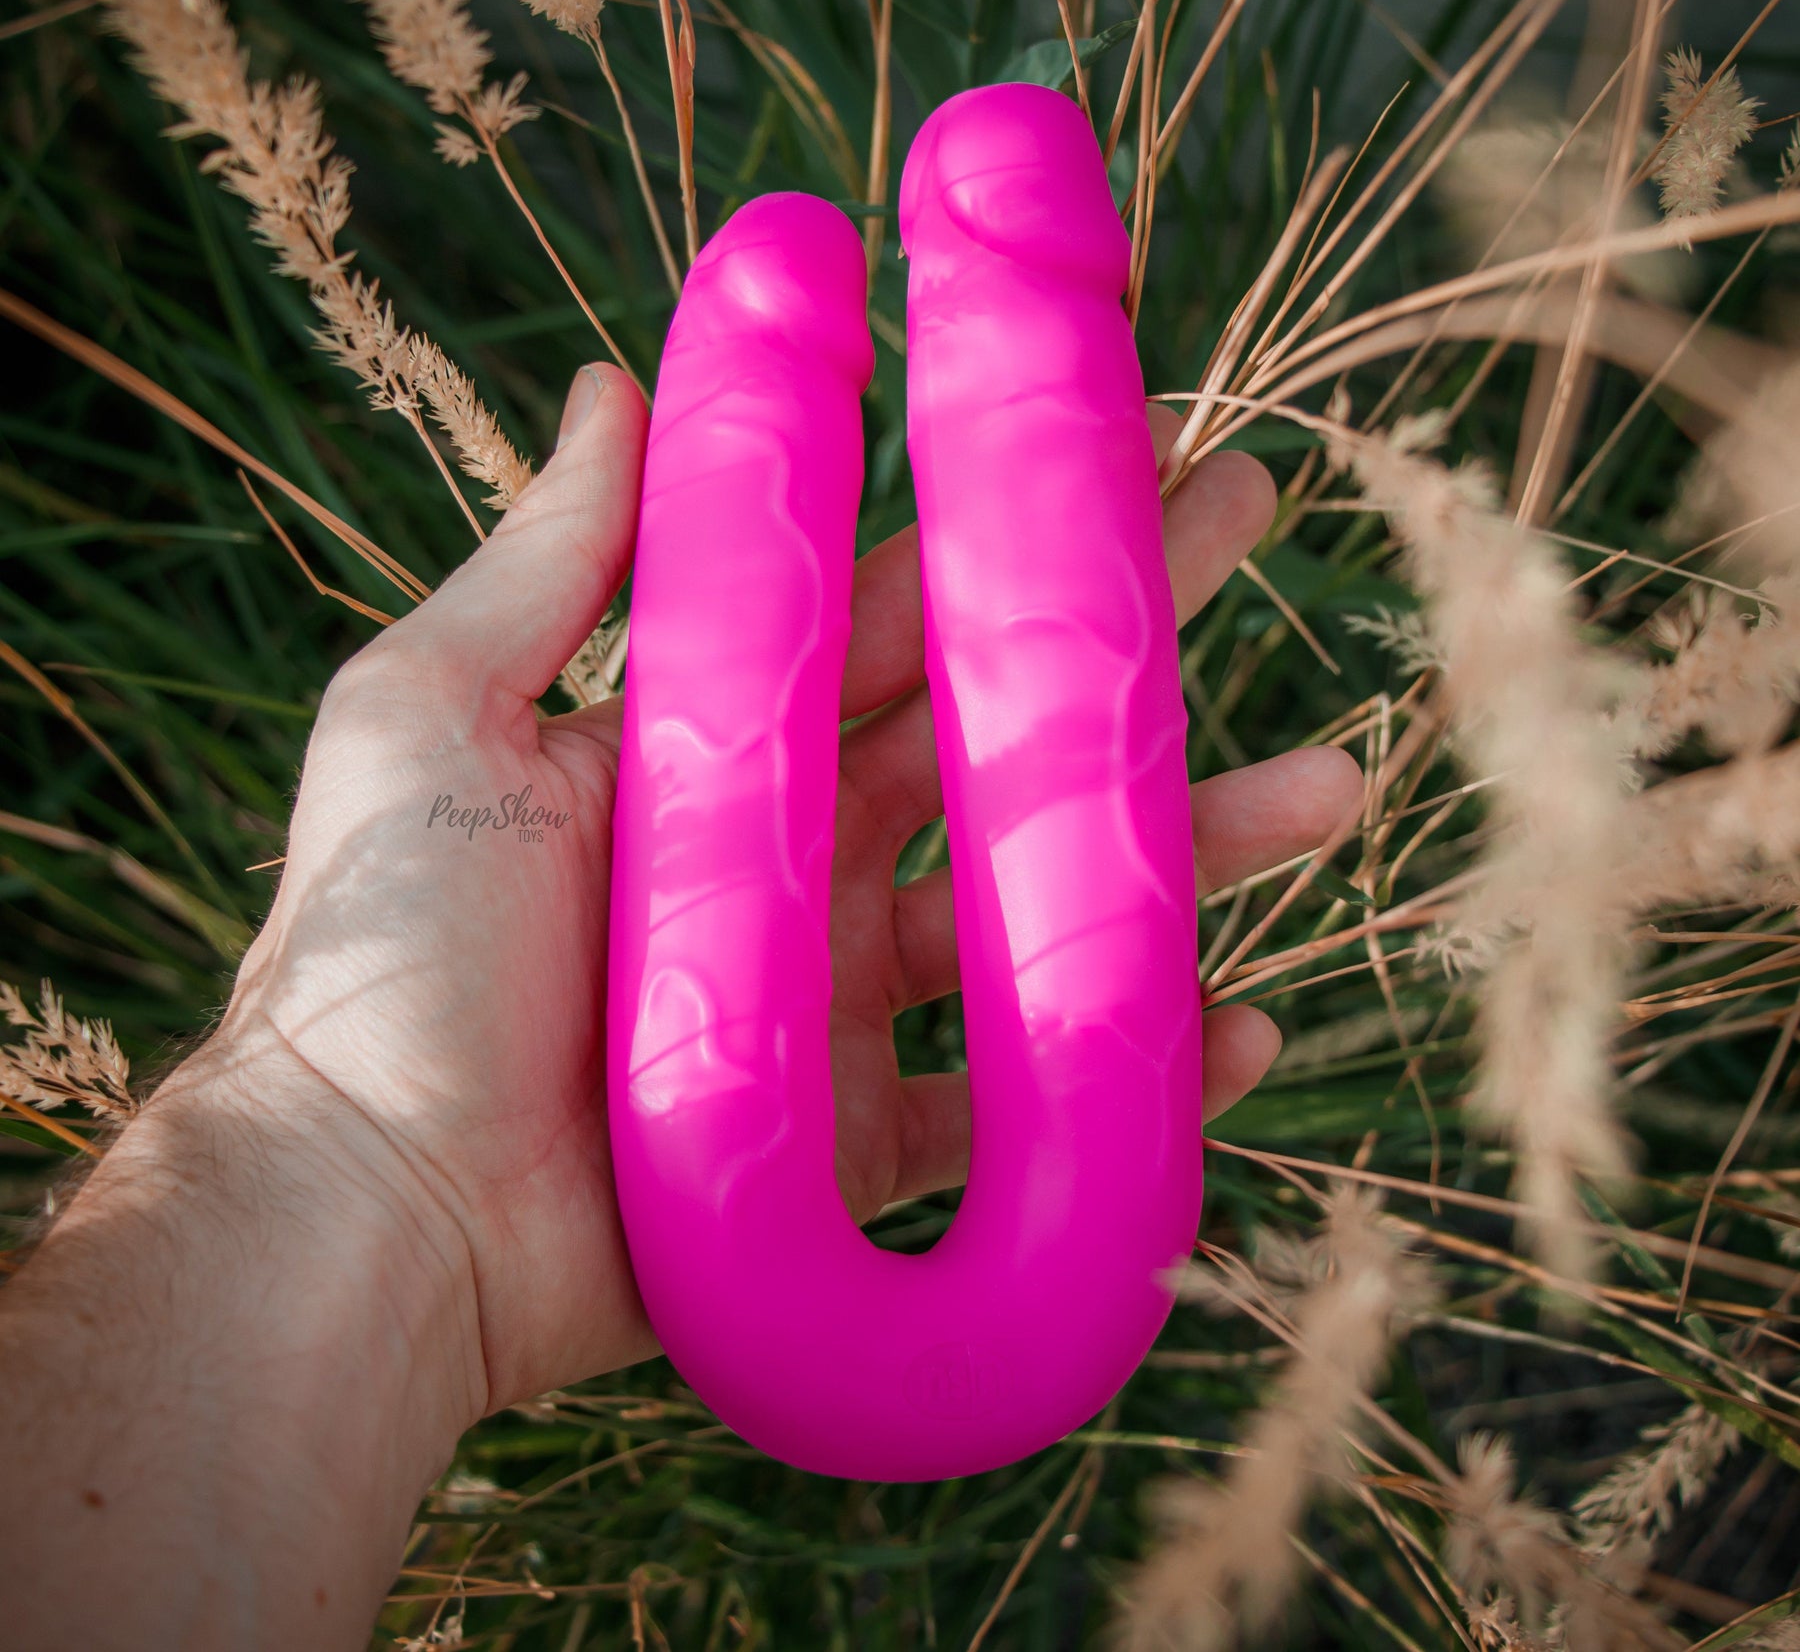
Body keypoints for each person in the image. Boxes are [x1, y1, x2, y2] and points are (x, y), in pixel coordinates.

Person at [0, 365, 1361, 1649]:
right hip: (843, 1313)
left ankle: (877, 331)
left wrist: (357, 1148)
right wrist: (367, 1152)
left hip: (935, 1323)